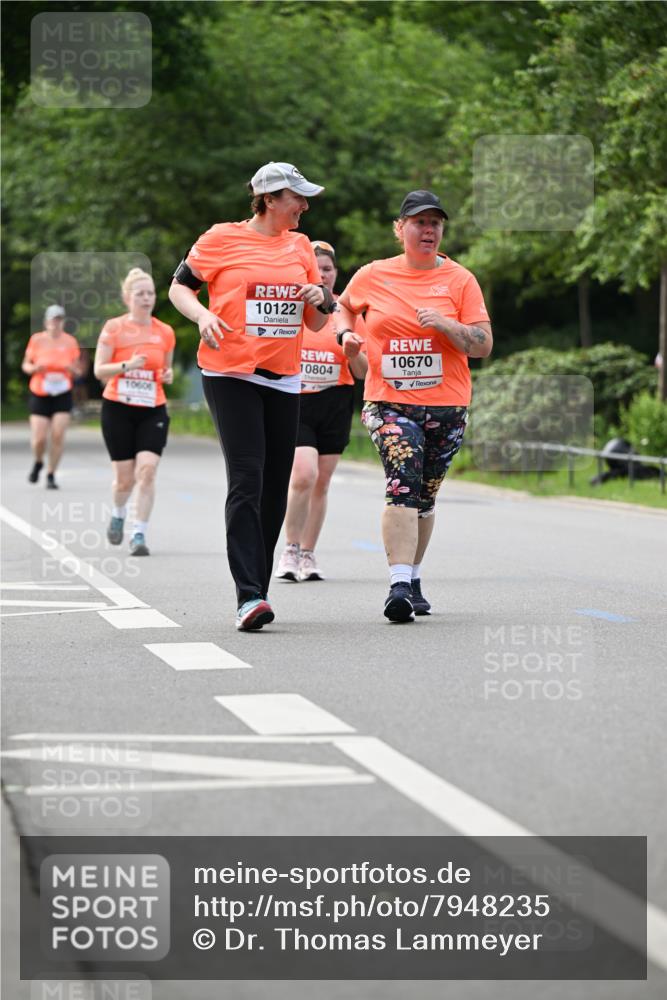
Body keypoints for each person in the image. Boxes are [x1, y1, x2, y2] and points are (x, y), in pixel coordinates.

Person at [168, 161, 332, 631]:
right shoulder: (220, 238)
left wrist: (319, 297)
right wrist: (201, 316)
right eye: (297, 198)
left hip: (283, 376)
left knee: (275, 483)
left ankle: (256, 591)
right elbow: (180, 287)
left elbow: (316, 322)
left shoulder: (300, 245)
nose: (304, 206)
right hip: (229, 371)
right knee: (247, 476)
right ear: (269, 199)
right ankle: (248, 594)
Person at [334, 190, 492, 622]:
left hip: (447, 405)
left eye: (436, 223)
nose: (428, 230)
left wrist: (446, 324)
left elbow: (483, 345)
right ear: (399, 228)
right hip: (389, 403)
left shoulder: (460, 280)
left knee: (425, 496)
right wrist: (344, 336)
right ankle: (398, 584)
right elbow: (342, 307)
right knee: (403, 483)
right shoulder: (373, 275)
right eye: (419, 222)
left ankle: (414, 576)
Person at [275, 239, 367, 582]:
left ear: (335, 273)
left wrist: (353, 350)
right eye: (316, 269)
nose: (322, 275)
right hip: (298, 401)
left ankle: (309, 554)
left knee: (321, 483)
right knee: (303, 475)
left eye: (327, 269)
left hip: (335, 401)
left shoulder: (347, 312)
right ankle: (290, 549)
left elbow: (362, 371)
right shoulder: (296, 309)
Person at [93, 267, 175, 556]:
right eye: (140, 293)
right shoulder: (114, 328)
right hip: (118, 408)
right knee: (124, 479)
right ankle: (118, 512)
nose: (146, 298)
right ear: (127, 297)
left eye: (150, 293)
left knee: (148, 471)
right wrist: (128, 365)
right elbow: (99, 370)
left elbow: (167, 370)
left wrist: (167, 376)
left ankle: (139, 534)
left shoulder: (165, 332)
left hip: (152, 408)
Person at [22, 304, 81, 489]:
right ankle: (39, 461)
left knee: (57, 435)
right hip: (40, 391)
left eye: (59, 319)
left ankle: (51, 474)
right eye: (53, 319)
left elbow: (78, 370)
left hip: (62, 392)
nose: (56, 323)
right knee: (39, 438)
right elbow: (26, 365)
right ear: (46, 321)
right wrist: (34, 369)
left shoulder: (70, 342)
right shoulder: (37, 340)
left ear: (63, 322)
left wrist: (72, 370)